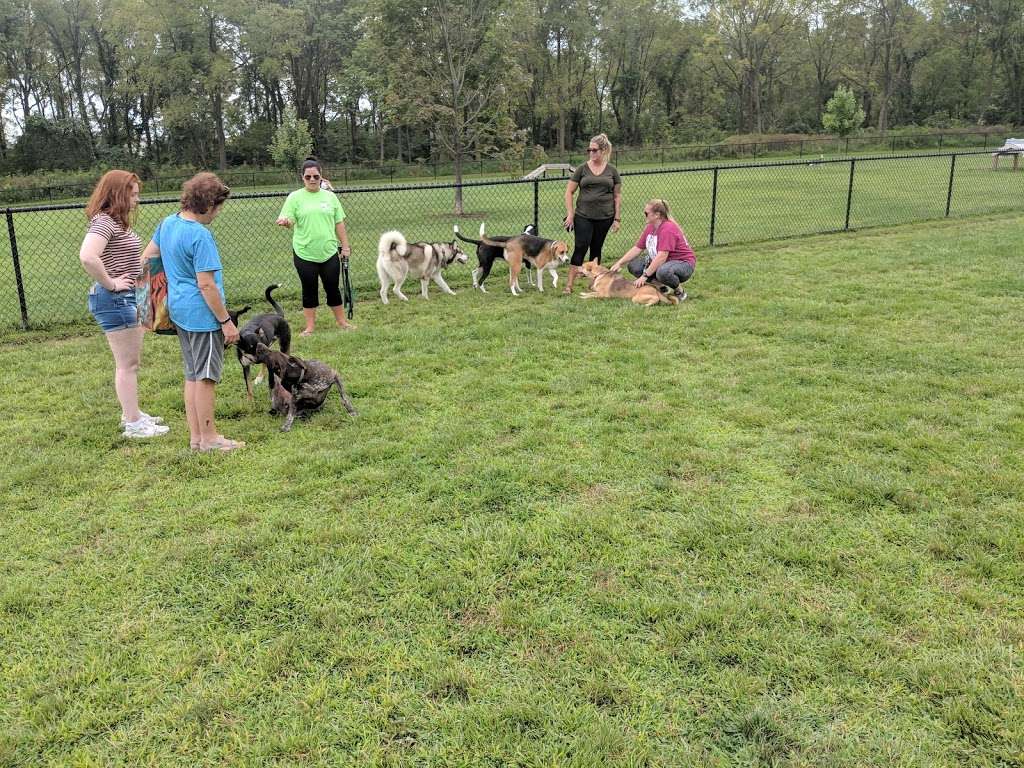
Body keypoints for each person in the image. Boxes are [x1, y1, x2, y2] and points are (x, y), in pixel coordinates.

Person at [142, 172, 244, 452]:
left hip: (179, 310)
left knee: (192, 374)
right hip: (202, 315)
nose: (218, 213)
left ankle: (197, 438)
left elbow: (148, 256)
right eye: (219, 206)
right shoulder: (201, 236)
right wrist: (226, 321)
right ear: (208, 204)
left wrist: (171, 280)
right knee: (207, 377)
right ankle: (210, 439)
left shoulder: (168, 223)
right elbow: (206, 284)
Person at [79, 170, 169, 439]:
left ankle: (133, 413)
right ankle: (133, 424)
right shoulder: (104, 222)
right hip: (114, 299)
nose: (136, 199)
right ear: (118, 193)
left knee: (130, 362)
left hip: (124, 298)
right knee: (127, 364)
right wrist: (111, 283)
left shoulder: (115, 222)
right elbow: (88, 257)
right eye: (133, 193)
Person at [275, 157, 354, 336]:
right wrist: (286, 222)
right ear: (302, 178)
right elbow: (290, 220)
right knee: (309, 289)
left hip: (329, 252)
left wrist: (345, 246)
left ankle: (342, 322)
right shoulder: (295, 197)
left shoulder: (330, 197)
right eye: (308, 176)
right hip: (304, 253)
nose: (312, 180)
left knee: (332, 287)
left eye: (315, 176)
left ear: (321, 177)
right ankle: (310, 327)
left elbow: (339, 223)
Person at [562, 133, 622, 294]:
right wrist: (570, 214)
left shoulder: (612, 171)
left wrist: (617, 218)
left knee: (596, 249)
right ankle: (569, 285)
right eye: (589, 150)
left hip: (605, 217)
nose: (591, 153)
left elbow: (617, 195)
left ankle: (596, 284)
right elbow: (569, 192)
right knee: (581, 247)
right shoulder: (582, 169)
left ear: (603, 150)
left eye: (594, 150)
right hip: (583, 216)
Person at [609, 198, 695, 301]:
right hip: (665, 262)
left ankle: (680, 292)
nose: (644, 215)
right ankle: (661, 287)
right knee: (634, 266)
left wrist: (644, 276)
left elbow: (662, 257)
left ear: (657, 215)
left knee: (663, 272)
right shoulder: (651, 226)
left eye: (646, 213)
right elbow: (637, 248)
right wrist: (619, 263)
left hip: (683, 264)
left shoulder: (667, 228)